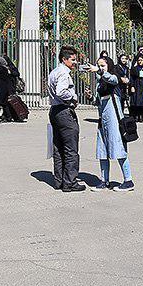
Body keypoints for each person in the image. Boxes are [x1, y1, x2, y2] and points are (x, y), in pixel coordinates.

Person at [90, 56, 134, 191]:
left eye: (103, 65)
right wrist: (90, 97)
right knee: (102, 150)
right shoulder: (100, 83)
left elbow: (112, 79)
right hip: (102, 120)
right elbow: (97, 102)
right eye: (99, 65)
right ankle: (104, 181)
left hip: (115, 119)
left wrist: (100, 71)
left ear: (109, 66)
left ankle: (128, 181)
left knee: (119, 149)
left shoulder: (113, 78)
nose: (100, 68)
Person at [48, 45, 85, 192]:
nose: (75, 62)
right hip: (64, 112)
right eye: (73, 60)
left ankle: (59, 180)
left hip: (54, 111)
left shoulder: (54, 72)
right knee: (71, 149)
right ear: (64, 59)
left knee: (58, 147)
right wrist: (74, 97)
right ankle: (70, 182)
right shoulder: (64, 73)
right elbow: (61, 91)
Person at [0, 55, 18, 123]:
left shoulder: (1, 69)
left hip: (0, 90)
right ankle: (9, 117)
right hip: (5, 90)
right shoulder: (6, 69)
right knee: (4, 104)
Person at [128, 54, 143, 122]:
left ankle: (141, 116)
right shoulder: (134, 68)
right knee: (136, 101)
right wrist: (132, 86)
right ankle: (136, 115)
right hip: (136, 85)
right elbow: (132, 78)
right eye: (139, 60)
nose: (140, 62)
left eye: (141, 60)